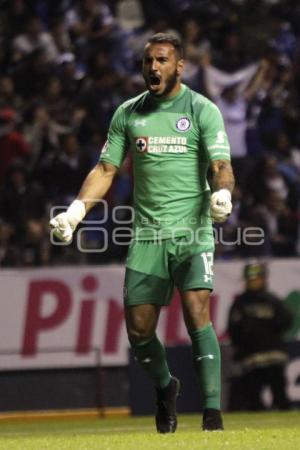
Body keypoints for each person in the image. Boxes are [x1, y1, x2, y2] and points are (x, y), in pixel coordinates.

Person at [50, 33, 234, 432]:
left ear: (179, 66)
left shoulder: (203, 110)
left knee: (196, 311)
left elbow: (221, 164)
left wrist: (222, 194)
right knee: (138, 330)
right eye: (148, 60)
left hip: (192, 231)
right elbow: (105, 170)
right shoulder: (128, 114)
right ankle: (167, 387)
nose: (153, 67)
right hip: (147, 235)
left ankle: (212, 414)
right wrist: (77, 210)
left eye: (162, 60)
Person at [227, 261, 292, 411]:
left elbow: (286, 321)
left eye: (257, 279)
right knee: (253, 398)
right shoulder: (240, 303)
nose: (254, 282)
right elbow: (233, 330)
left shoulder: (273, 301)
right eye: (251, 280)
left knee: (280, 395)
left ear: (263, 279)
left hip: (274, 355)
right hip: (251, 358)